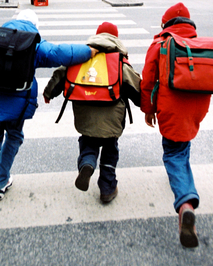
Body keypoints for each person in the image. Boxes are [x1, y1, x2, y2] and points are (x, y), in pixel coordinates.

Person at [0, 9, 97, 225]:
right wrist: (89, 52)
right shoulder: (30, 43)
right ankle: (0, 183)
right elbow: (61, 53)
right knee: (13, 137)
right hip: (16, 107)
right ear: (34, 25)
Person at [43, 21, 141, 203]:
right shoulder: (119, 60)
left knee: (88, 142)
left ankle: (87, 164)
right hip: (112, 117)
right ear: (116, 38)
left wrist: (49, 93)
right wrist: (147, 106)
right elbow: (136, 89)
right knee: (110, 149)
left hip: (85, 114)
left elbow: (60, 74)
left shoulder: (83, 55)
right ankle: (107, 188)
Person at [140, 2, 211, 248]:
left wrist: (148, 110)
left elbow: (148, 81)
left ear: (166, 24)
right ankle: (184, 184)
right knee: (182, 146)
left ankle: (185, 203)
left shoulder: (160, 44)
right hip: (197, 107)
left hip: (171, 108)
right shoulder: (198, 44)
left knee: (173, 153)